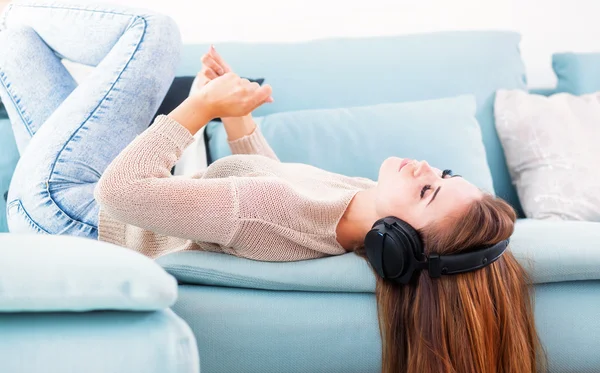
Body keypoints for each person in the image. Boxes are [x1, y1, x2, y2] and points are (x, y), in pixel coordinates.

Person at [0, 1, 545, 372]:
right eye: (445, 176)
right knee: (19, 43)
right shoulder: (352, 206)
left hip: (66, 207)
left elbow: (117, 193)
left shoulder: (271, 213)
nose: (428, 169)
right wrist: (238, 122)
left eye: (428, 193)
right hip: (69, 202)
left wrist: (199, 107)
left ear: (394, 239)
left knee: (153, 33)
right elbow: (272, 180)